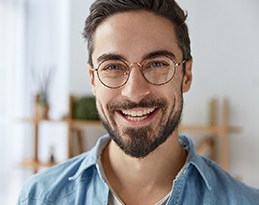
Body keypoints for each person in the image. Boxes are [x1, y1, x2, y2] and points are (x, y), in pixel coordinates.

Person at [18, 0, 259, 204]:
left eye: (157, 64)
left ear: (186, 74)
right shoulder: (41, 197)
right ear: (93, 80)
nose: (134, 92)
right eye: (113, 67)